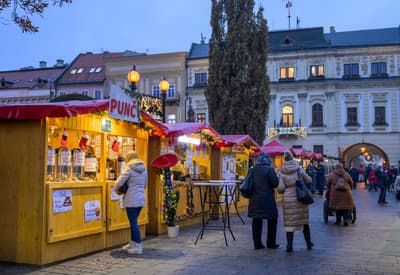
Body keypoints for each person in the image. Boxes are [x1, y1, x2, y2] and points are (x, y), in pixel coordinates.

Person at [277, 151, 313, 253]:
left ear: (285, 159)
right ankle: (308, 243)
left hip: (288, 198)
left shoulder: (282, 172)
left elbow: (280, 189)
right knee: (304, 222)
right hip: (300, 196)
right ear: (292, 158)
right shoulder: (299, 169)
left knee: (289, 224)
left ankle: (289, 246)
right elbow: (309, 180)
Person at [114, 151, 148, 254]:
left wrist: (117, 191)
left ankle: (138, 247)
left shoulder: (129, 169)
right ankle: (133, 243)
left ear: (128, 158)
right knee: (134, 221)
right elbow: (145, 185)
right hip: (141, 198)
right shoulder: (144, 169)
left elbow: (118, 183)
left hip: (131, 199)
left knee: (133, 222)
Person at [248, 152, 280, 250]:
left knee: (256, 220)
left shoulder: (253, 169)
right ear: (267, 160)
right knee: (272, 220)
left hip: (255, 199)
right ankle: (271, 243)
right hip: (268, 199)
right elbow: (275, 184)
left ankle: (257, 244)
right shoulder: (270, 169)